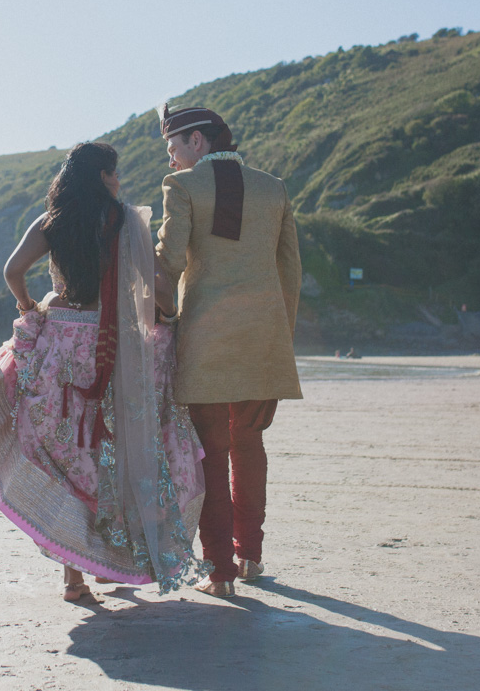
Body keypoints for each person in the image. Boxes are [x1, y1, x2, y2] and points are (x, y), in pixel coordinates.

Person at [0, 142, 208, 602]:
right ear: (103, 176)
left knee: (64, 457)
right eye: (115, 173)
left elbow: (13, 270)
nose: (119, 181)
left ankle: (75, 577)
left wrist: (28, 307)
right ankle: (108, 561)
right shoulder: (126, 222)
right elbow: (160, 292)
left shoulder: (52, 223)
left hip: (61, 346)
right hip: (114, 348)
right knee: (111, 455)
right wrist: (165, 319)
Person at [154, 105, 302, 598]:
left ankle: (219, 573)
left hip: (206, 340)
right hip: (264, 340)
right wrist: (281, 336)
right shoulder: (273, 188)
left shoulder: (183, 187)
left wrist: (150, 314)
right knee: (249, 445)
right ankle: (250, 556)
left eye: (174, 148)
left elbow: (170, 261)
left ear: (197, 140)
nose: (172, 160)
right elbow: (290, 272)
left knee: (211, 453)